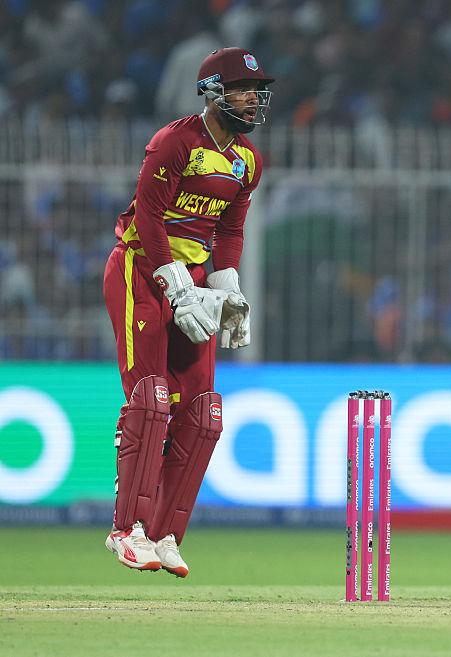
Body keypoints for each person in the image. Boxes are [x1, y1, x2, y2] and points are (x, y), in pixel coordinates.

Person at [101, 48, 273, 577]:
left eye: (257, 89)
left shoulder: (247, 161)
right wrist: (172, 282)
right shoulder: (175, 142)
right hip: (140, 270)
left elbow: (229, 231)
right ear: (212, 90)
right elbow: (149, 217)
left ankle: (164, 533)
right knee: (150, 399)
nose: (252, 97)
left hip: (196, 281)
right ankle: (126, 530)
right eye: (242, 87)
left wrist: (228, 288)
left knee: (202, 413)